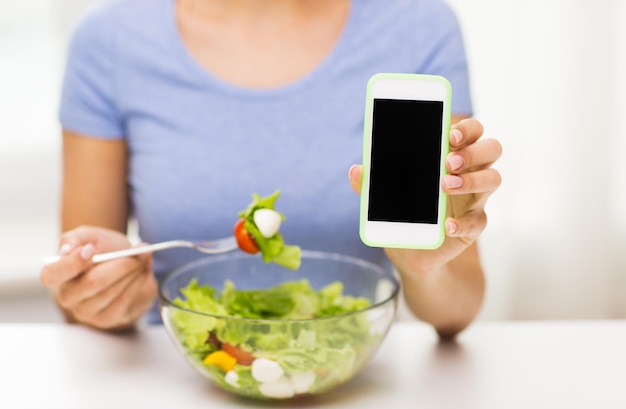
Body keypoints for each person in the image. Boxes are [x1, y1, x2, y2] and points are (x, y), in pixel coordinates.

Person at [40, 0, 502, 340]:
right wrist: (107, 294)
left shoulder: (420, 27)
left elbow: (457, 310)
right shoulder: (109, 40)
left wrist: (422, 268)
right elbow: (80, 303)